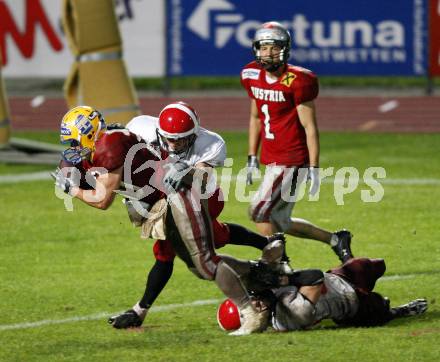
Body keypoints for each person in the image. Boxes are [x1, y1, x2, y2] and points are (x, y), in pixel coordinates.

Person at [52, 105, 272, 335]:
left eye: (73, 141)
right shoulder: (132, 131)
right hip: (165, 199)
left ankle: (251, 306)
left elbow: (102, 200)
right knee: (205, 244)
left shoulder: (209, 143)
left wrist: (73, 190)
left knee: (199, 261)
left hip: (191, 194)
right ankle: (266, 258)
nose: (72, 148)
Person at [108, 102, 278, 329]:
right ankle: (269, 246)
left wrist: (186, 172)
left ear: (193, 134)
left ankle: (140, 310)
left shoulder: (210, 142)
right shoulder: (140, 127)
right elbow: (117, 143)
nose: (173, 144)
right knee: (215, 236)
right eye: (168, 138)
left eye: (180, 139)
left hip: (204, 196)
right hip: (167, 197)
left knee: (168, 251)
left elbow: (204, 177)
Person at [241, 21, 353, 262]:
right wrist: (252, 156)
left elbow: (310, 127)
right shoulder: (251, 75)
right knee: (280, 221)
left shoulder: (297, 80)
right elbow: (255, 118)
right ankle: (336, 239)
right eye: (263, 47)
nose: (268, 53)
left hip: (291, 159)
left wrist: (313, 167)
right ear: (256, 49)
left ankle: (279, 264)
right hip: (273, 157)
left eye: (274, 47)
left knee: (259, 211)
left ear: (285, 49)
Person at [217, 240, 428, 332]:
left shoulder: (263, 294)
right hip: (351, 305)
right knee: (381, 308)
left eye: (249, 302)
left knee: (376, 264)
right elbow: (313, 277)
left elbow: (235, 266)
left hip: (338, 277)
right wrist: (282, 280)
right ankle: (400, 311)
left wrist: (268, 263)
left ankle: (346, 252)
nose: (255, 302)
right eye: (251, 307)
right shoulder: (287, 318)